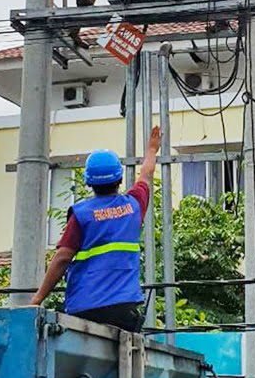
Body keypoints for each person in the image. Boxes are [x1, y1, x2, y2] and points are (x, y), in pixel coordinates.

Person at [30, 126, 161, 332]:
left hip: (85, 306)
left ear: (88, 182)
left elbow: (62, 258)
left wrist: (37, 299)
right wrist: (152, 149)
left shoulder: (82, 214)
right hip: (123, 305)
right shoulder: (134, 206)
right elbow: (146, 174)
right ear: (119, 179)